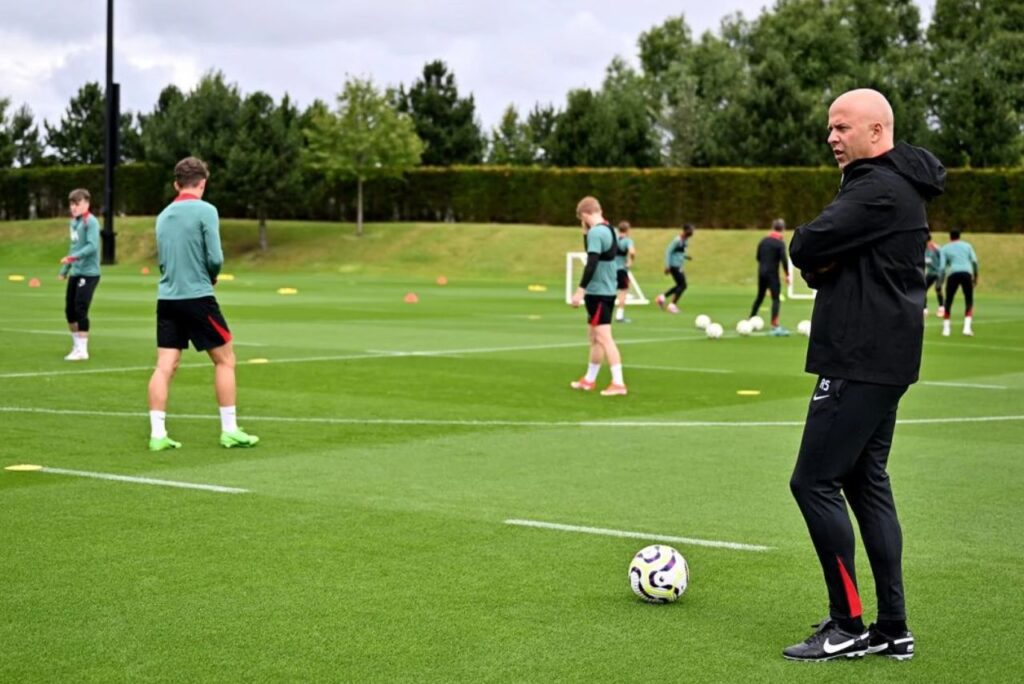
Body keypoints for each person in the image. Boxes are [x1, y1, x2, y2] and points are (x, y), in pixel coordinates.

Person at [785, 88, 945, 662]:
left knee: (813, 482)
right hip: (883, 358)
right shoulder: (892, 186)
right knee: (863, 481)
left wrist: (819, 256)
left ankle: (848, 623)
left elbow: (807, 243)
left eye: (842, 127)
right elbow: (821, 260)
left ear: (877, 132)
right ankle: (892, 627)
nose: (831, 137)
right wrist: (823, 260)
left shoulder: (878, 188)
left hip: (859, 358)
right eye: (830, 127)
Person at [146, 157, 260, 451]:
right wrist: (211, 276)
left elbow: (162, 261)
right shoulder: (206, 211)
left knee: (164, 366)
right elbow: (216, 257)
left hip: (167, 299)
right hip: (197, 297)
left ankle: (158, 434)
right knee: (225, 360)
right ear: (203, 183)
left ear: (176, 184)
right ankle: (230, 430)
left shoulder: (162, 215)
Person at [568, 196, 627, 396]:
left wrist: (580, 289)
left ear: (584, 215)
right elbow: (597, 254)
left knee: (604, 337)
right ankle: (589, 379)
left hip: (599, 292)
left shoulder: (596, 232)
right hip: (605, 291)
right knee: (594, 338)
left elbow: (591, 262)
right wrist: (586, 233)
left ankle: (619, 383)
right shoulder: (610, 229)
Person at [58, 189, 101, 361]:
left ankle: (83, 350)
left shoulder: (90, 222)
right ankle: (76, 346)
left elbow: (92, 247)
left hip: (89, 273)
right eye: (71, 204)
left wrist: (73, 257)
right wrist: (65, 269)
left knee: (80, 308)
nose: (74, 207)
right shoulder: (73, 223)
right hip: (76, 271)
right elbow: (73, 247)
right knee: (69, 310)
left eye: (77, 204)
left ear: (86, 204)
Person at [748, 218, 792, 335]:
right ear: (783, 229)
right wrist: (787, 275)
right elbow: (784, 260)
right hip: (772, 274)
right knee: (776, 298)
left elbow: (758, 257)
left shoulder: (763, 241)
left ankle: (751, 317)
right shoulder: (780, 243)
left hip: (761, 272)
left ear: (773, 227)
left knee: (760, 296)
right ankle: (774, 324)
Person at [939, 229, 979, 337]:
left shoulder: (945, 248)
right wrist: (975, 276)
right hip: (966, 273)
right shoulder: (967, 246)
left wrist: (941, 280)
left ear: (950, 237)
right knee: (969, 299)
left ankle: (946, 329)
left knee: (949, 300)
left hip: (953, 274)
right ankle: (967, 328)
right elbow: (974, 261)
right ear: (959, 236)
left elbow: (942, 267)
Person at [655, 224, 694, 314]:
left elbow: (679, 252)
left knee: (679, 285)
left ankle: (661, 298)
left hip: (679, 265)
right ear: (685, 230)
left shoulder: (685, 240)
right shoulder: (677, 240)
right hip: (674, 265)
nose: (692, 232)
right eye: (690, 230)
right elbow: (668, 251)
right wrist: (667, 266)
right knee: (683, 285)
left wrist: (686, 257)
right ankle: (672, 305)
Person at [614, 220, 637, 323]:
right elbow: (632, 252)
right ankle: (619, 316)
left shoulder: (613, 239)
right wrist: (631, 261)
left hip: (610, 269)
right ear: (627, 230)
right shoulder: (627, 240)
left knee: (609, 291)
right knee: (623, 292)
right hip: (621, 269)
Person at [923, 232, 945, 317]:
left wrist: (941, 270)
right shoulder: (923, 249)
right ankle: (924, 309)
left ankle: (941, 308)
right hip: (931, 273)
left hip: (939, 272)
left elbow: (943, 259)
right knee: (923, 289)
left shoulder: (936, 248)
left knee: (938, 288)